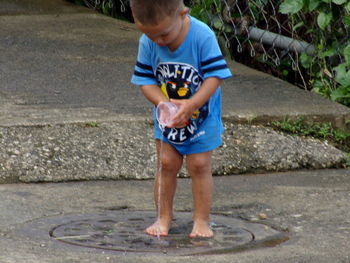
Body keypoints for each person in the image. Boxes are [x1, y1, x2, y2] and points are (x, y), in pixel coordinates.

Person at [130, 0, 232, 238]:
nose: (158, 42)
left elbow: (215, 77)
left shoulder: (202, 36)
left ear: (183, 14)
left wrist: (193, 104)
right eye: (150, 35)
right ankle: (163, 218)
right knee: (166, 164)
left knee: (199, 165)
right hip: (169, 117)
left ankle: (201, 221)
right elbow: (145, 81)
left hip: (201, 118)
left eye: (164, 34)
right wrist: (162, 104)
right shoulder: (149, 40)